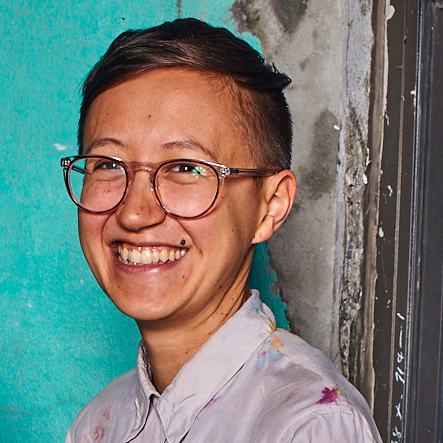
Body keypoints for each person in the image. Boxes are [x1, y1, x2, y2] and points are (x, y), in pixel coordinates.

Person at [62, 18, 381, 443]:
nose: (134, 214)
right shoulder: (98, 425)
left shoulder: (308, 425)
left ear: (270, 206)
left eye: (185, 168)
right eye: (107, 164)